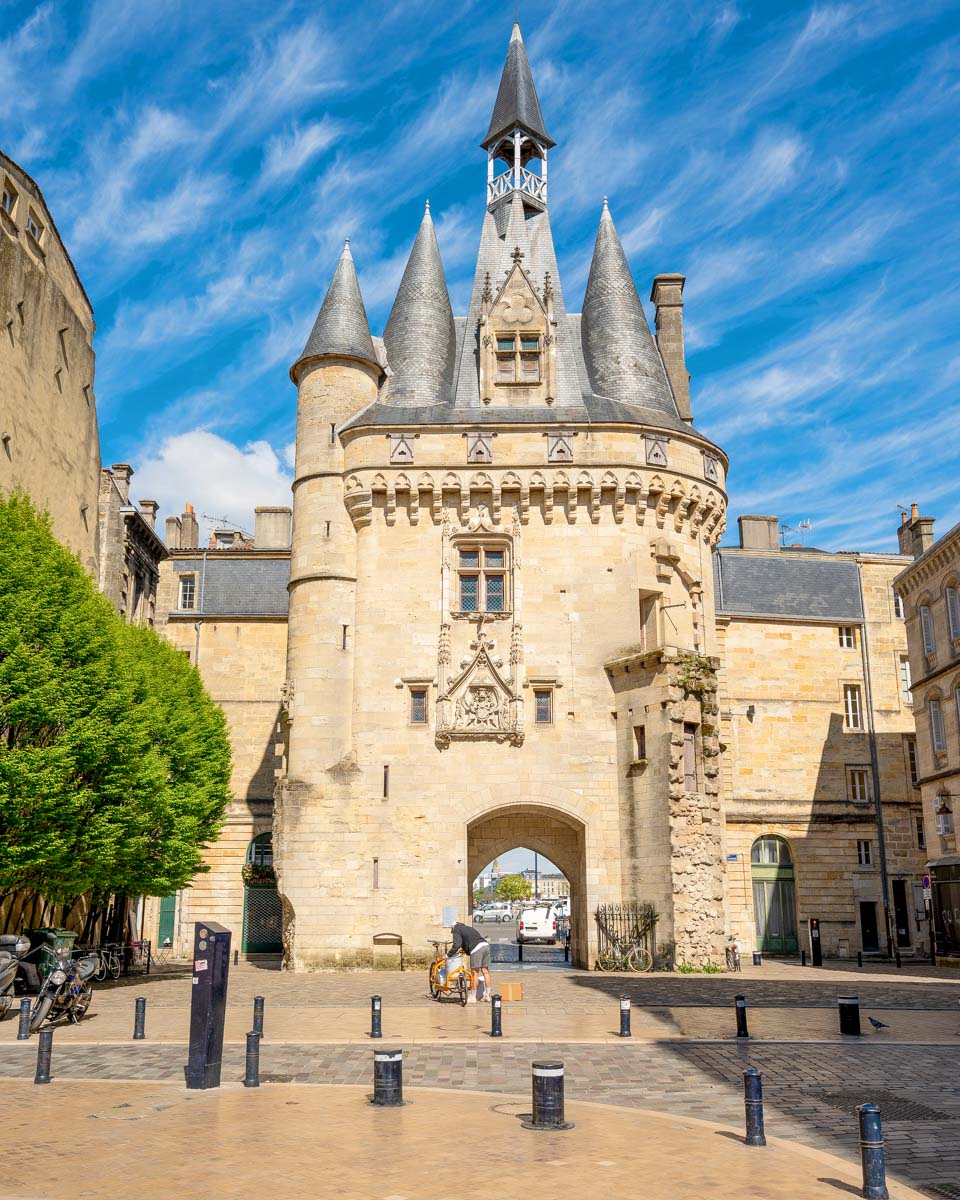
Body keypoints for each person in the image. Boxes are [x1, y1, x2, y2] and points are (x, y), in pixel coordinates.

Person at [449, 921, 491, 1002]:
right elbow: (471, 941)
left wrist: (448, 955)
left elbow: (456, 944)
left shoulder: (457, 929)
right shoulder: (468, 928)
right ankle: (488, 995)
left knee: (474, 973)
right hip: (485, 945)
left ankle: (473, 996)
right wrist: (465, 950)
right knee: (485, 972)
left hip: (476, 949)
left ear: (453, 927)